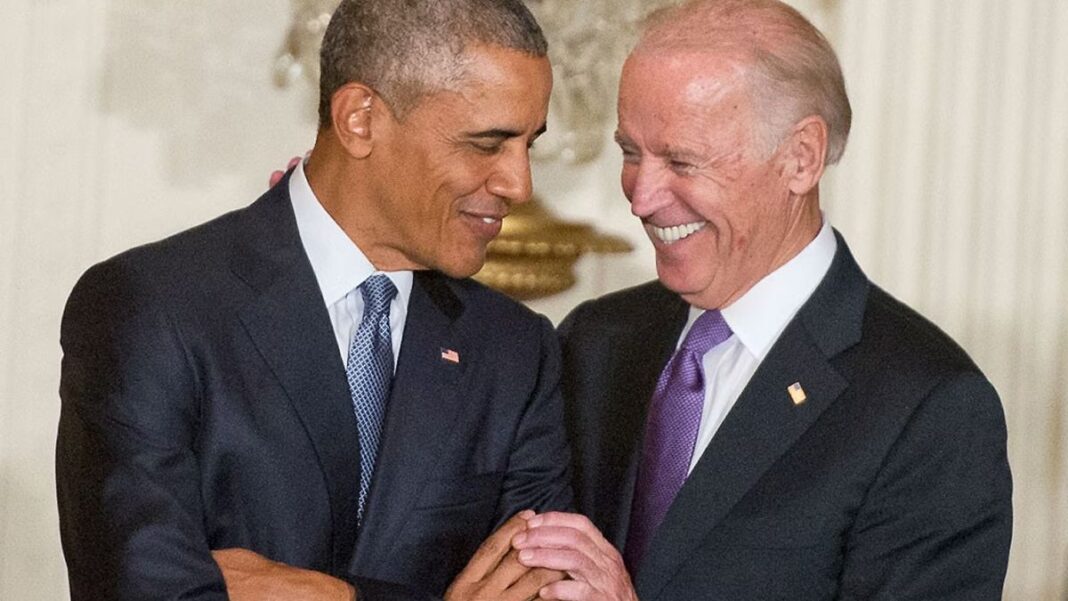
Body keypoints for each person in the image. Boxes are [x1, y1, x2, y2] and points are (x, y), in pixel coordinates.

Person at [55, 1, 572, 600]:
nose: (519, 184)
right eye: (488, 144)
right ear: (360, 119)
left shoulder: (515, 350)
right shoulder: (151, 308)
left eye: (528, 145)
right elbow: (141, 589)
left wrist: (337, 596)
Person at [511, 1, 1014, 600]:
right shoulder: (595, 340)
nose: (641, 197)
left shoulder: (931, 409)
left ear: (800, 157)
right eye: (630, 152)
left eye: (682, 160)